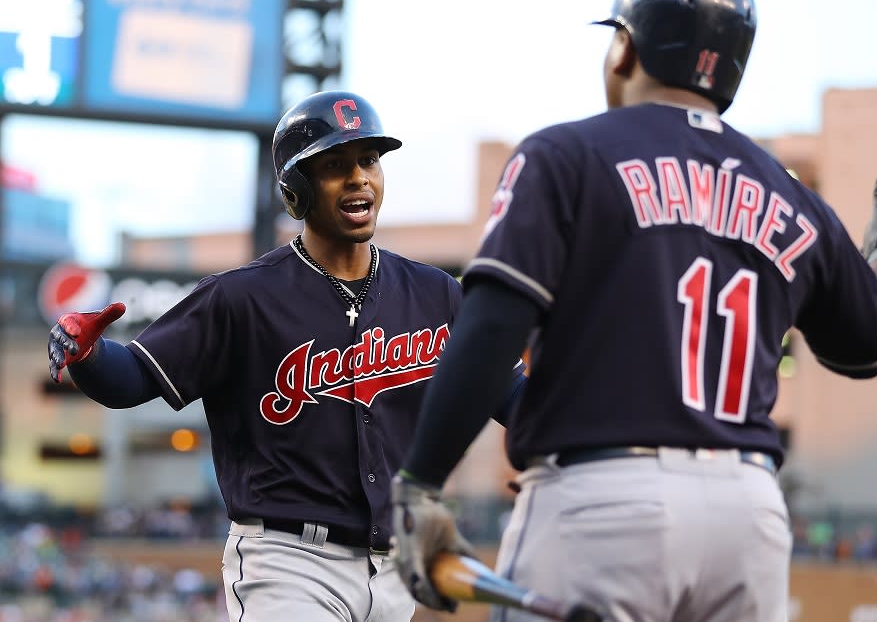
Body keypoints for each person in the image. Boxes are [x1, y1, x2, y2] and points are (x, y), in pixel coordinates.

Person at [388, 0, 877, 621]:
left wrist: (421, 481)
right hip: (748, 517)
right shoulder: (793, 196)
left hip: (603, 504)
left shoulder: (565, 155)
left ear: (628, 48)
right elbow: (872, 343)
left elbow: (493, 327)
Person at [47, 90, 526, 622]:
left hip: (394, 569)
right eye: (334, 165)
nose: (359, 178)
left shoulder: (436, 294)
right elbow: (134, 377)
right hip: (288, 562)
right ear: (295, 190)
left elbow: (512, 394)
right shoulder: (241, 297)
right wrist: (87, 352)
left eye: (368, 161)